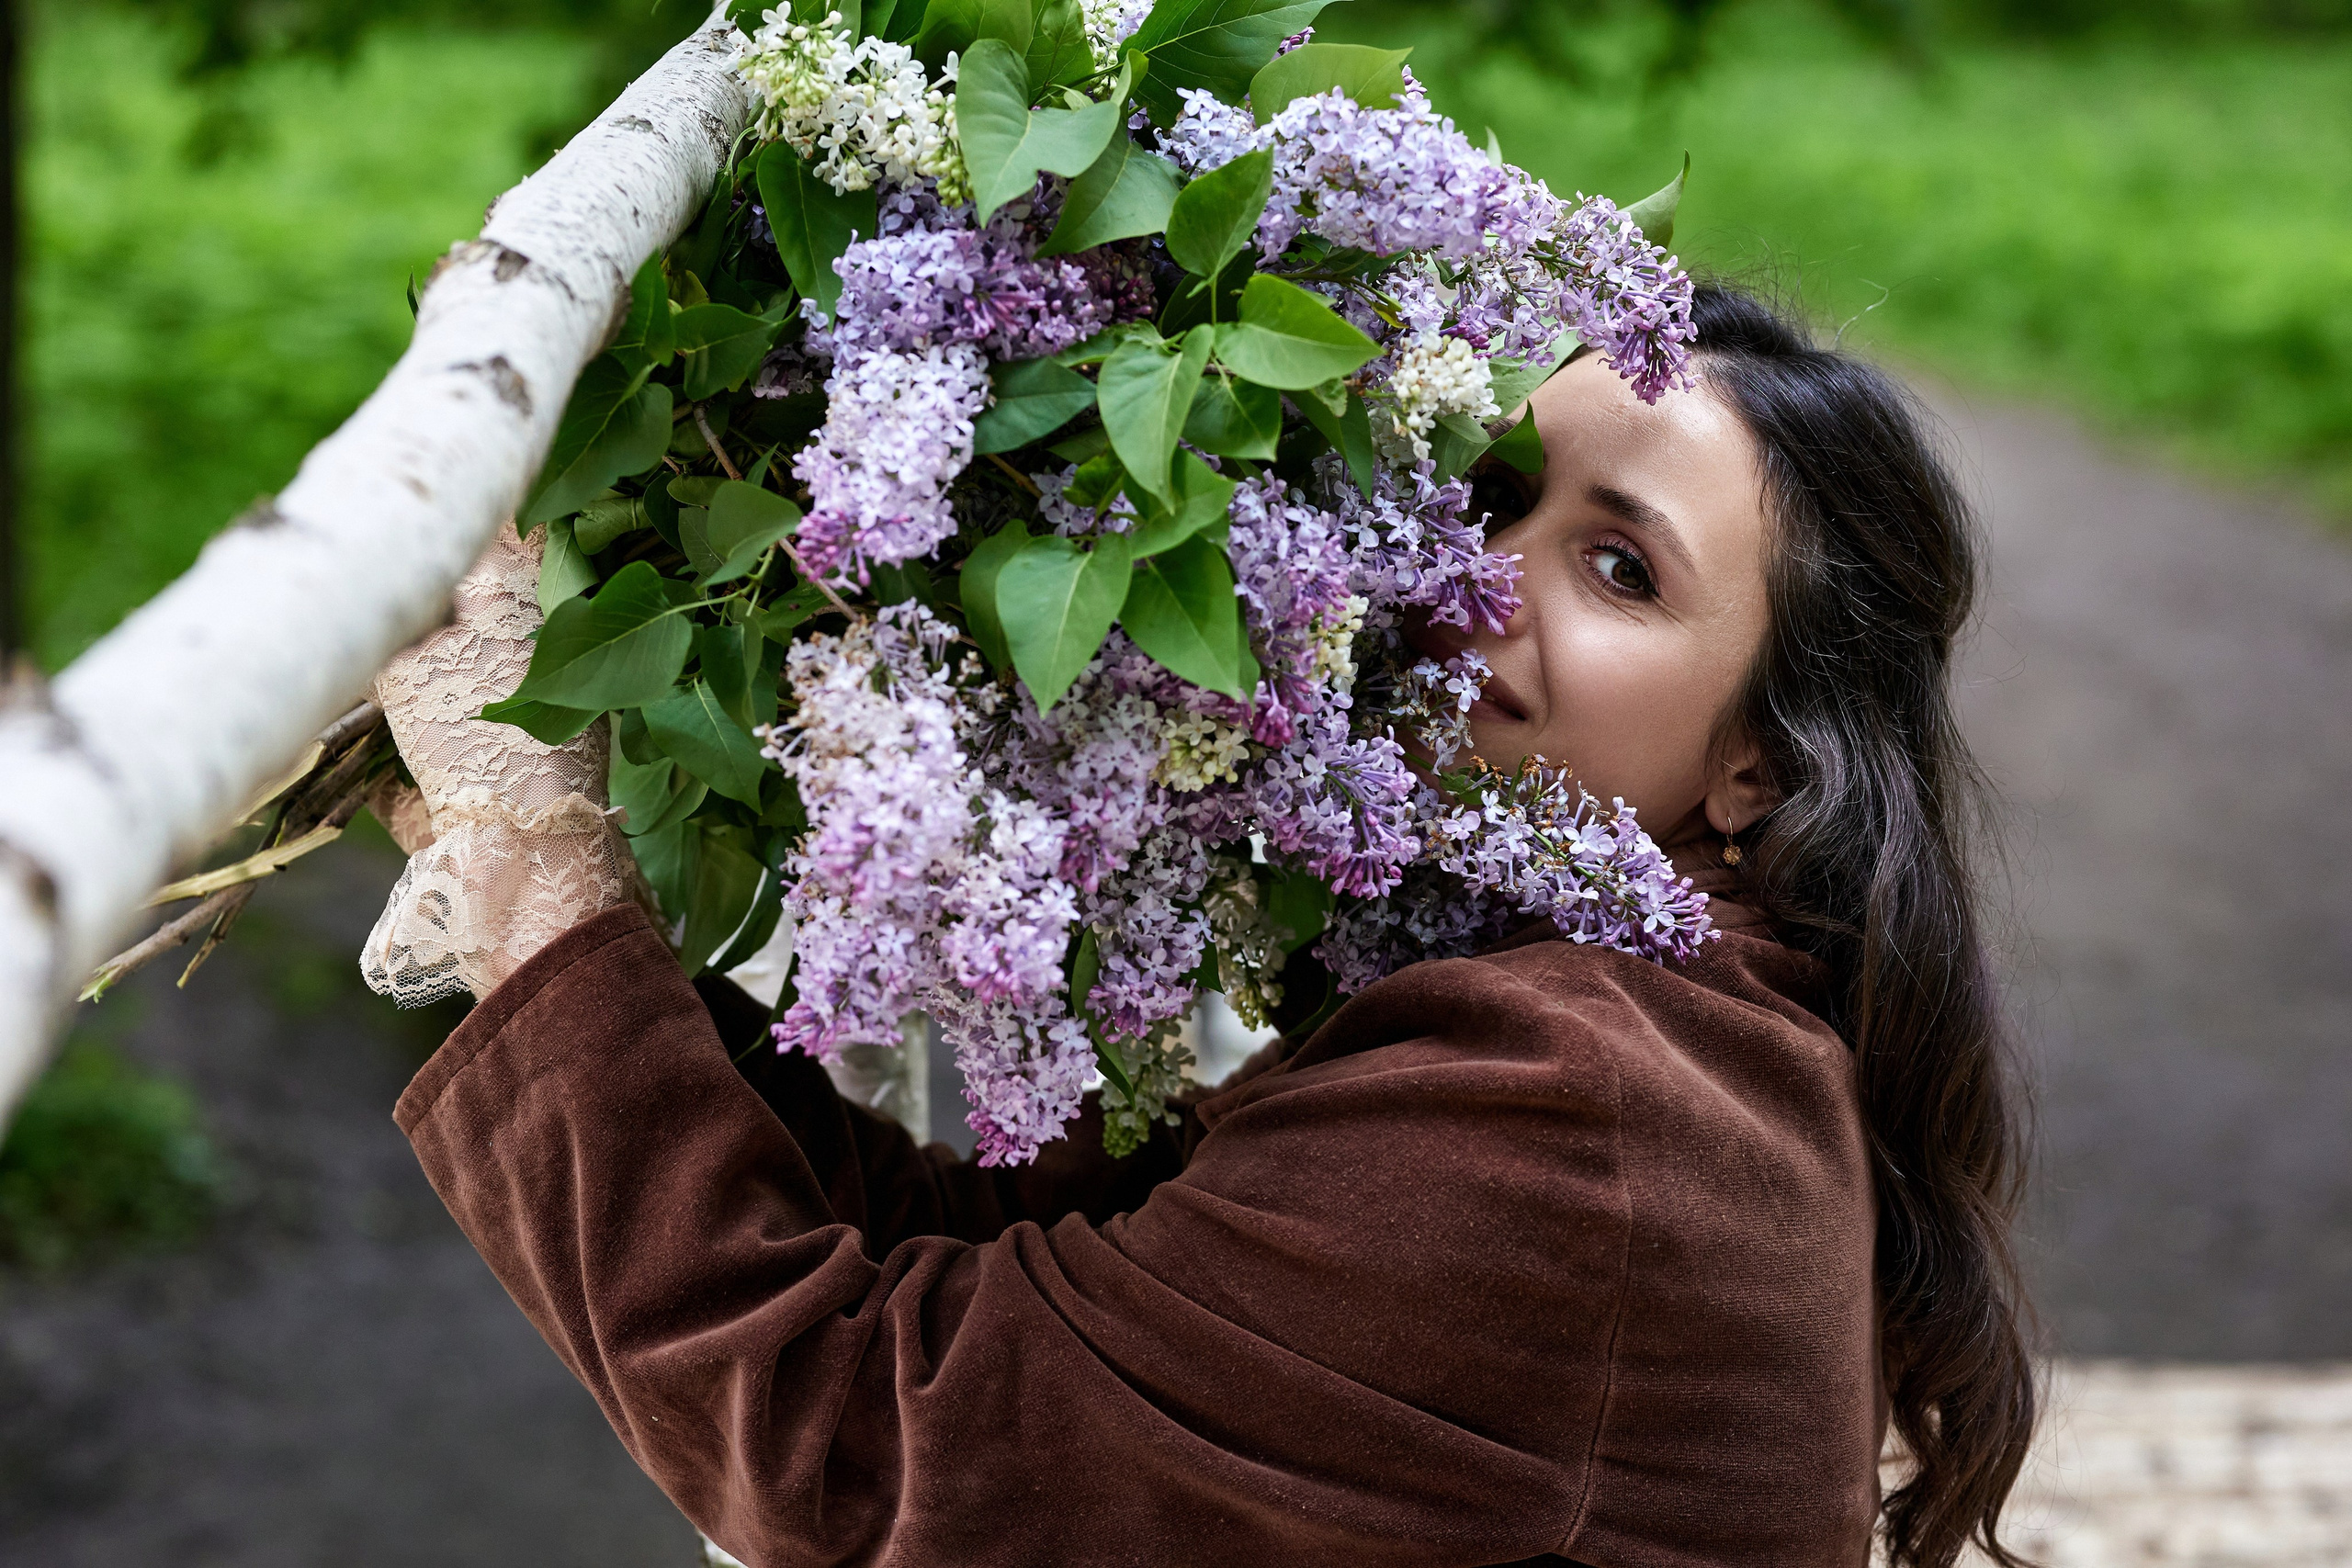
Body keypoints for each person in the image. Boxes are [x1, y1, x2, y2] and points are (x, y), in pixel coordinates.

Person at [368, 284, 2037, 1567]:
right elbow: (1019, 1297)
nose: (1471, 578)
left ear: (1756, 764)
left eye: (1618, 571)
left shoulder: (1590, 1103)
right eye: (1492, 489)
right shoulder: (1583, 997)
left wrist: (537, 874)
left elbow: (873, 1453)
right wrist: (547, 892)